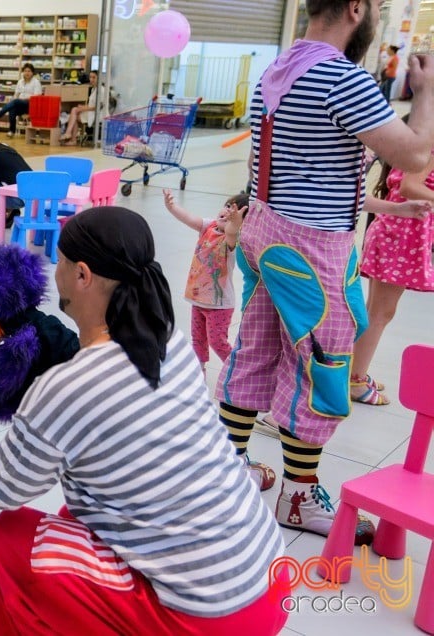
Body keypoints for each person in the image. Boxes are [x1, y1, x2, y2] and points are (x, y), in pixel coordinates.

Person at [0, 207, 288, 635]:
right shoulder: (168, 341)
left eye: (59, 261)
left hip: (206, 617)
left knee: (13, 538)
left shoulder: (67, 385)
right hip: (269, 574)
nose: (54, 271)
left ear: (81, 275)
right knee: (70, 513)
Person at [216, 0, 434, 544]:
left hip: (267, 233)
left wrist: (384, 208)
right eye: (380, 7)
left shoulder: (278, 68)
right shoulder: (341, 75)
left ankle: (224, 473)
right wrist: (427, 92)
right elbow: (414, 157)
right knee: (323, 365)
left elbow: (315, 168)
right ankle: (298, 495)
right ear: (357, 8)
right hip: (314, 250)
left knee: (255, 350)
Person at [351, 129, 434, 405]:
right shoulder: (431, 143)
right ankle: (354, 380)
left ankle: (352, 371)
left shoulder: (423, 140)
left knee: (374, 311)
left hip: (396, 232)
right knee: (381, 313)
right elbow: (411, 186)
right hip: (402, 236)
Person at [163, 190, 248, 375]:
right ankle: (198, 372)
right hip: (198, 299)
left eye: (234, 212)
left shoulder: (232, 239)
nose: (227, 212)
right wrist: (172, 207)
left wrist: (234, 222)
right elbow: (189, 218)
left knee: (217, 342)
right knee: (198, 340)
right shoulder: (208, 227)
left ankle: (237, 370)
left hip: (220, 305)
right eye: (227, 206)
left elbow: (233, 230)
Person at [0, 62, 42, 138]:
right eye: (25, 71)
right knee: (12, 108)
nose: (27, 73)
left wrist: (22, 99)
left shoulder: (36, 82)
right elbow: (16, 94)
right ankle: (11, 131)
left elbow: (37, 96)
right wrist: (15, 100)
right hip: (20, 104)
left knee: (16, 101)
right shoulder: (20, 82)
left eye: (29, 71)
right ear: (23, 72)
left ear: (32, 72)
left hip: (31, 105)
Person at [60, 70, 97, 144]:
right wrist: (83, 106)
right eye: (90, 77)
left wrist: (84, 108)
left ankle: (69, 135)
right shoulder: (93, 89)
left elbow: (97, 107)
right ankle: (71, 137)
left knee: (74, 112)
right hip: (91, 112)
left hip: (95, 114)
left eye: (94, 77)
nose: (91, 79)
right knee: (74, 113)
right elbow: (91, 104)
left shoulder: (101, 90)